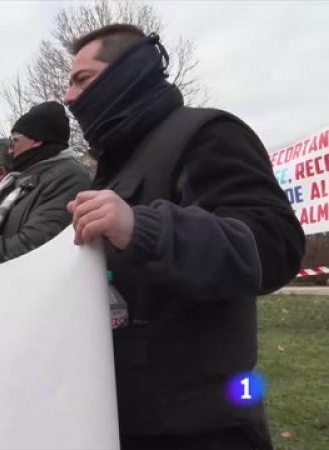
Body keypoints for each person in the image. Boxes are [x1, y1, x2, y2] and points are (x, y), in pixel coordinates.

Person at [62, 25, 305, 450]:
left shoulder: (205, 133)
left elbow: (274, 243)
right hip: (118, 422)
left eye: (82, 79)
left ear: (129, 71)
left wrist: (143, 227)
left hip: (202, 430)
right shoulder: (113, 170)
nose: (68, 97)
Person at [0, 101, 90, 280]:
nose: (10, 150)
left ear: (37, 140)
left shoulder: (68, 178)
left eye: (14, 141)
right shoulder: (22, 182)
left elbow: (31, 246)